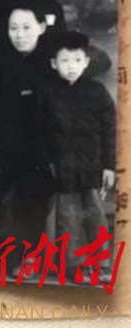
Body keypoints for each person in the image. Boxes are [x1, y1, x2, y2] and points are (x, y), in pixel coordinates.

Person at [37, 32, 115, 278]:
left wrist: (109, 166)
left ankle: (101, 264)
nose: (71, 66)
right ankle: (74, 265)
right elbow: (40, 132)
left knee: (94, 212)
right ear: (54, 63)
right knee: (67, 215)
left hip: (92, 164)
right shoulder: (47, 92)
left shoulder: (97, 91)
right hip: (62, 166)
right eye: (65, 61)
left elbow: (109, 130)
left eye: (77, 60)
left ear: (86, 62)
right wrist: (48, 163)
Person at [0, 5, 56, 273]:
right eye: (13, 28)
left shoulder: (52, 61)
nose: (19, 35)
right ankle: (1, 255)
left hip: (40, 142)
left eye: (26, 27)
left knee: (34, 190)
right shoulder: (0, 63)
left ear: (41, 27)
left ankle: (28, 255)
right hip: (4, 139)